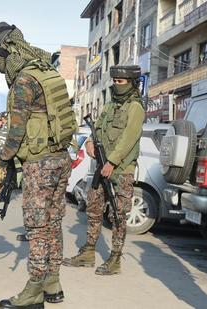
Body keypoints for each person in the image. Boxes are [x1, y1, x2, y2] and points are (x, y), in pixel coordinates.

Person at [0, 22, 76, 309]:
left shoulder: (24, 81)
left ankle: (34, 291)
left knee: (36, 227)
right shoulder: (47, 72)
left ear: (7, 51)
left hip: (40, 163)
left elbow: (17, 130)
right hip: (60, 158)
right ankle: (52, 283)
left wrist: (2, 161)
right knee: (54, 222)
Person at [63, 65, 145, 276]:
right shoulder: (109, 106)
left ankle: (115, 258)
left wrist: (112, 163)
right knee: (93, 208)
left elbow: (129, 138)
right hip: (102, 167)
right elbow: (97, 129)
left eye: (121, 82)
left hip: (121, 170)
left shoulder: (135, 107)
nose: (117, 85)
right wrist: (90, 142)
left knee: (118, 214)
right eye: (115, 81)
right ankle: (89, 252)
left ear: (132, 83)